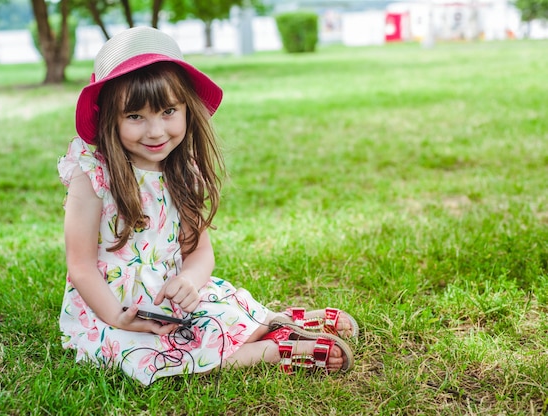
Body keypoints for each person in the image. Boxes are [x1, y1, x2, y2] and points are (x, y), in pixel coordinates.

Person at [57, 26, 359, 386]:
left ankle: (277, 322)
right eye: (135, 116)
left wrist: (188, 279)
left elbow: (200, 254)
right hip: (110, 305)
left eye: (168, 111)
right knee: (155, 354)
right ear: (110, 117)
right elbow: (80, 265)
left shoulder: (184, 171)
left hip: (171, 296)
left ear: (188, 110)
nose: (155, 131)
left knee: (218, 312)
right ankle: (275, 349)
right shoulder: (92, 175)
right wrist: (117, 317)